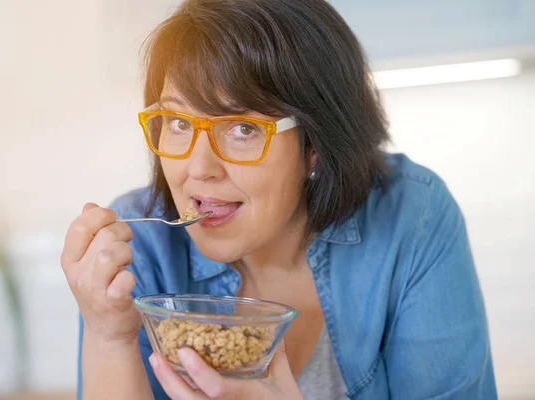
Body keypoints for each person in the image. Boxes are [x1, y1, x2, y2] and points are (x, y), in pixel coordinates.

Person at [61, 0, 497, 399]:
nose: (197, 168)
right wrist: (108, 334)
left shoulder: (412, 216)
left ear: (317, 145)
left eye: (243, 129)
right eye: (177, 121)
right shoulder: (138, 246)